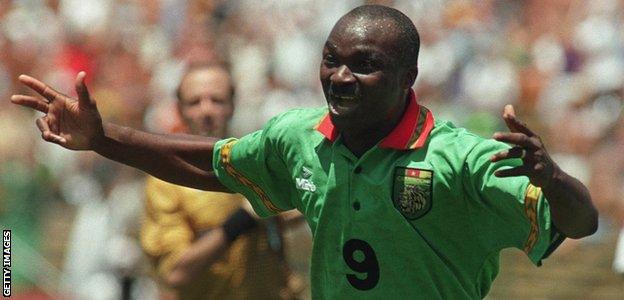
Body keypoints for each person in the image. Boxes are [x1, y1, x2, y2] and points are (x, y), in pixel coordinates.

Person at [11, 5, 597, 299]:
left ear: (410, 74)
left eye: (364, 65)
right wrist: (101, 138)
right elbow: (207, 163)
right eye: (331, 59)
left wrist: (555, 178)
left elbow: (578, 221)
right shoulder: (298, 139)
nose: (340, 76)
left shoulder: (462, 160)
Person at [139, 62, 295, 299]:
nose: (207, 111)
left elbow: (297, 210)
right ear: (180, 110)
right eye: (195, 102)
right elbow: (174, 273)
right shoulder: (167, 180)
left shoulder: (255, 162)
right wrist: (241, 220)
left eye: (217, 100)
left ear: (232, 106)